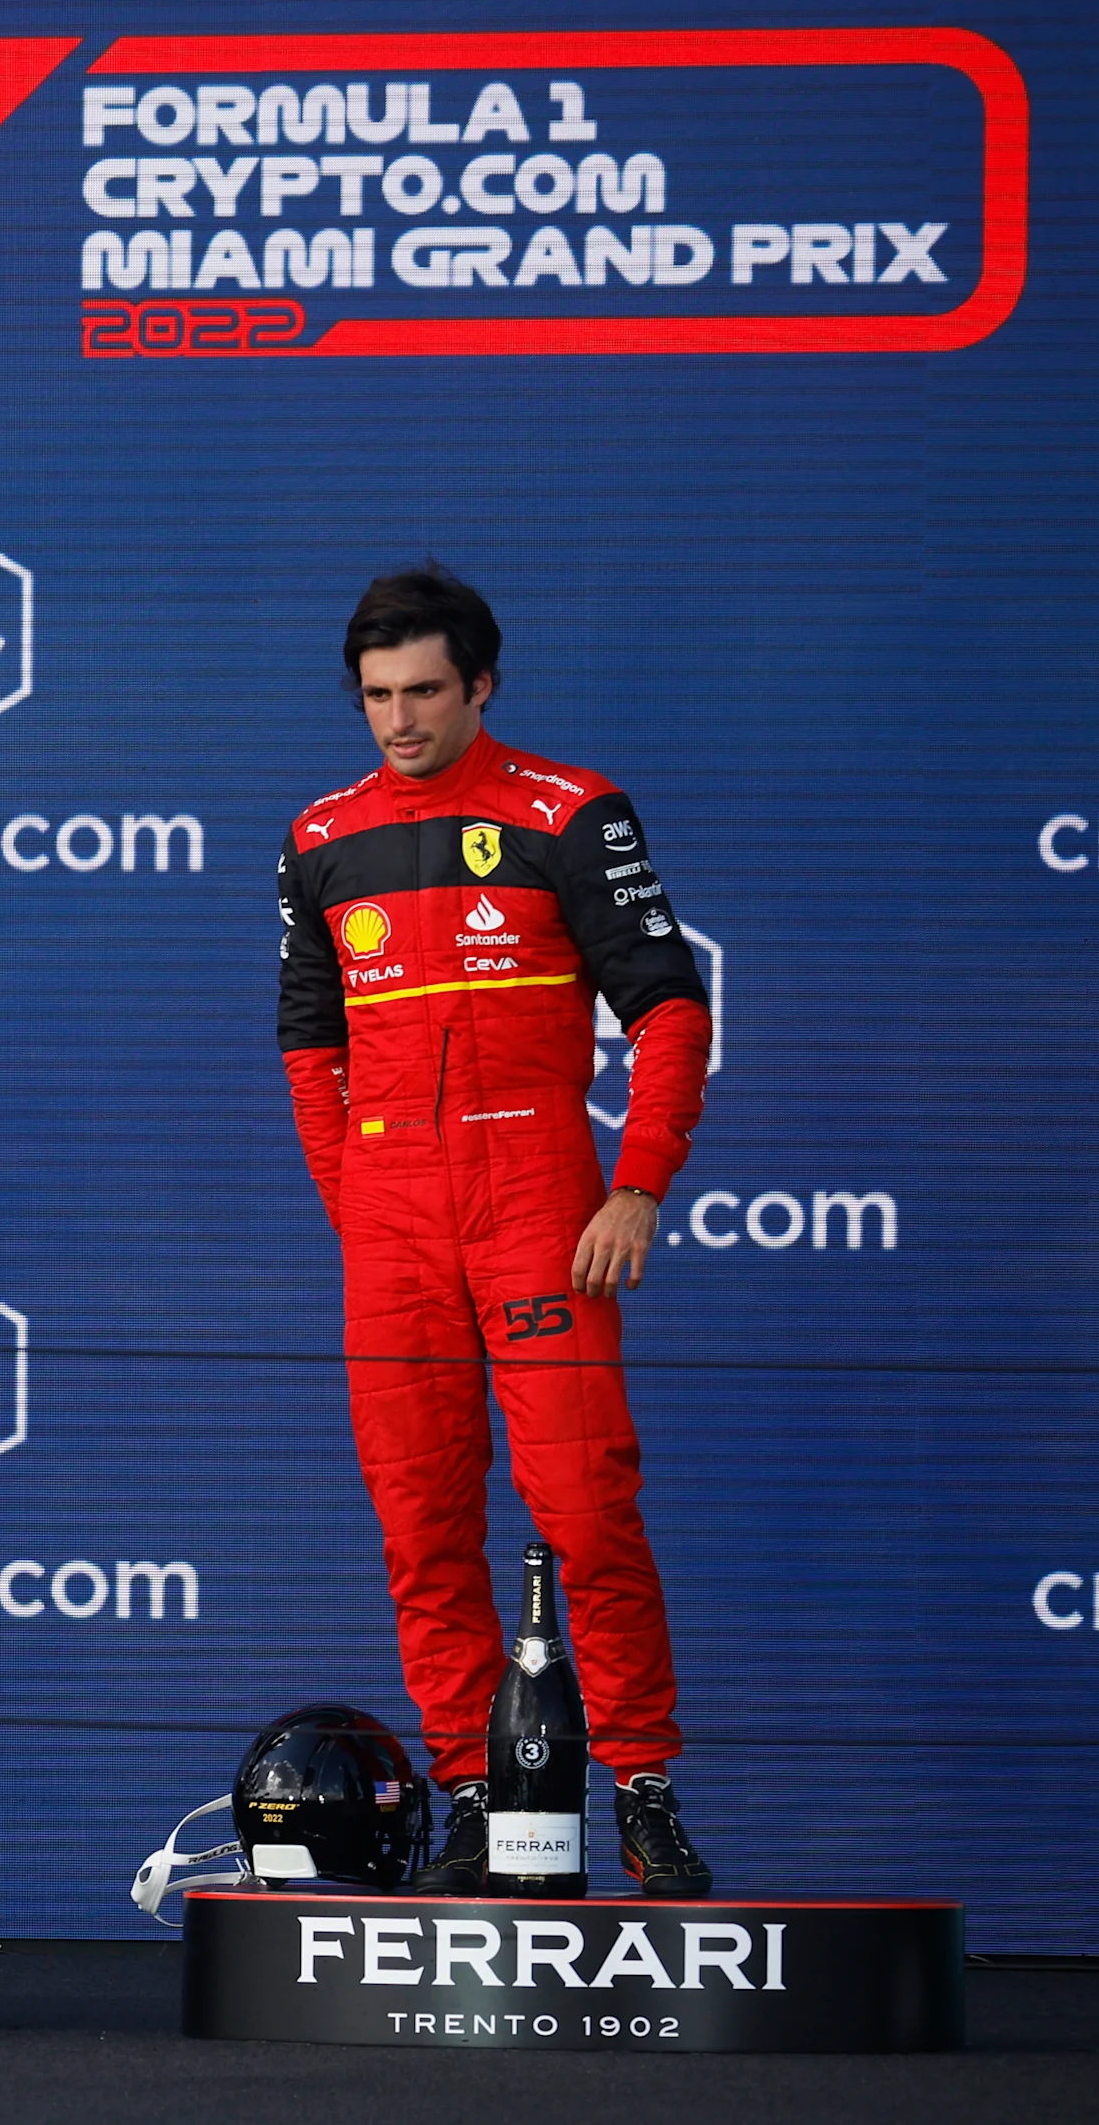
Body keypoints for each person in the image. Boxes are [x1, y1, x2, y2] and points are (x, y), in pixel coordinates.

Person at [277, 564, 714, 1897]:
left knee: (586, 1509)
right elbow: (309, 1049)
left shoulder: (570, 810)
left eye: (422, 692)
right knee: (420, 1522)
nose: (398, 720)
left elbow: (669, 1010)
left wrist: (635, 1182)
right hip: (393, 1228)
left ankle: (639, 1781)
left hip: (539, 1208)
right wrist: (362, 1215)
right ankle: (470, 1788)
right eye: (375, 697)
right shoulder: (318, 835)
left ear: (481, 685)